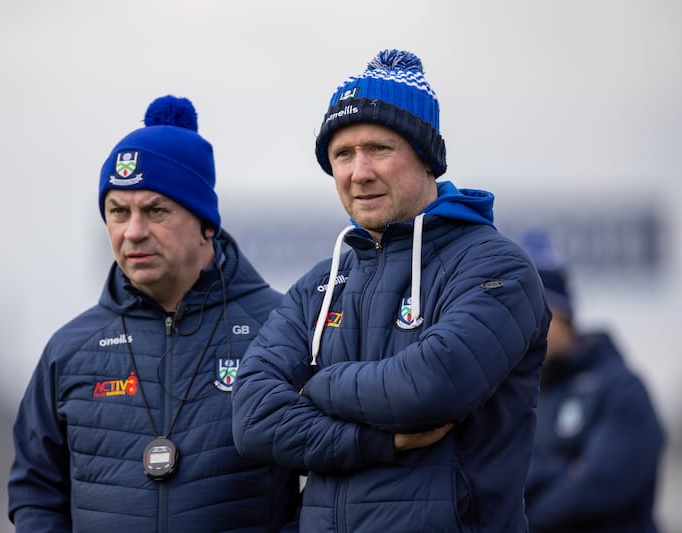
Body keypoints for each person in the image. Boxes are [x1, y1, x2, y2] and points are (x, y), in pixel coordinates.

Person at [231, 49, 551, 532]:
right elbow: (252, 418)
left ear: (426, 158)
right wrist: (376, 441)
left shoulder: (498, 267)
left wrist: (314, 385)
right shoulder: (320, 283)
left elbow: (430, 388)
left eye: (379, 149)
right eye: (343, 154)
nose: (359, 172)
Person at [8, 95, 300, 532]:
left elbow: (331, 480)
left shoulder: (283, 328)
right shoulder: (68, 352)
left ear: (206, 223)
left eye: (156, 210)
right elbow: (35, 491)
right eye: (118, 212)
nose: (134, 231)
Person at [521, 229, 666, 533]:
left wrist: (521, 516)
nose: (528, 328)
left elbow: (601, 486)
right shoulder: (518, 394)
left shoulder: (621, 389)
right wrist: (565, 468)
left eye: (538, 314)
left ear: (564, 315)